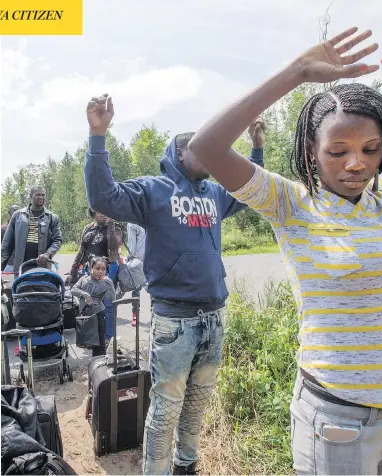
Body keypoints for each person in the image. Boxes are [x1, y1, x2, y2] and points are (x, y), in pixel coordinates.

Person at [189, 26, 382, 475]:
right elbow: (206, 147)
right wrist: (297, 71)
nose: (357, 163)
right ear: (311, 150)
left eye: (371, 149)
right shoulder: (289, 203)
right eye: (338, 150)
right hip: (338, 416)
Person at [83, 93, 265, 475]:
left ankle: (187, 465)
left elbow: (248, 193)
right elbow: (103, 195)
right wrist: (98, 135)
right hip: (174, 324)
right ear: (180, 153)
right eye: (203, 147)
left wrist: (257, 148)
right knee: (165, 409)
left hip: (214, 318)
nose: (213, 155)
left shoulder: (215, 193)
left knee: (196, 405)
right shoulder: (153, 191)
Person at [65, 208, 122, 343]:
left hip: (107, 269)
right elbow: (81, 252)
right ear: (93, 213)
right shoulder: (88, 228)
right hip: (88, 269)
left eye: (105, 211)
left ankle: (108, 338)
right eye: (99, 211)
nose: (103, 214)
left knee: (107, 303)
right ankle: (92, 335)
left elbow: (114, 246)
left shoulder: (115, 227)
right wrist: (72, 273)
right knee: (88, 303)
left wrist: (110, 225)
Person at [1, 187, 62, 276]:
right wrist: (1, 266)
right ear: (30, 197)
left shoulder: (52, 217)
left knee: (42, 288)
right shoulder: (18, 216)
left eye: (43, 195)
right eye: (37, 195)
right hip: (21, 267)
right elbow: (7, 243)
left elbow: (57, 240)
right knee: (21, 289)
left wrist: (47, 254)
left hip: (42, 267)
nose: (41, 197)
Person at [71, 256, 116, 357]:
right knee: (88, 340)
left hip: (100, 314)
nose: (100, 272)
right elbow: (73, 289)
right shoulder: (84, 279)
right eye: (97, 268)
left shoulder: (106, 282)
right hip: (86, 315)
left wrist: (110, 284)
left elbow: (113, 299)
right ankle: (94, 360)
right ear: (91, 268)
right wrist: (85, 294)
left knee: (100, 343)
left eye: (103, 269)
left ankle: (99, 362)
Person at [127, 222, 146, 326]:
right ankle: (135, 314)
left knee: (153, 290)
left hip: (151, 260)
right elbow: (131, 246)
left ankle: (154, 313)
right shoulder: (132, 224)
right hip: (138, 261)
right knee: (136, 290)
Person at [1, 205, 20, 273]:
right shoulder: (3, 228)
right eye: (14, 210)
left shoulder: (24, 227)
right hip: (8, 264)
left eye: (18, 210)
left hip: (21, 263)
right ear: (9, 212)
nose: (16, 212)